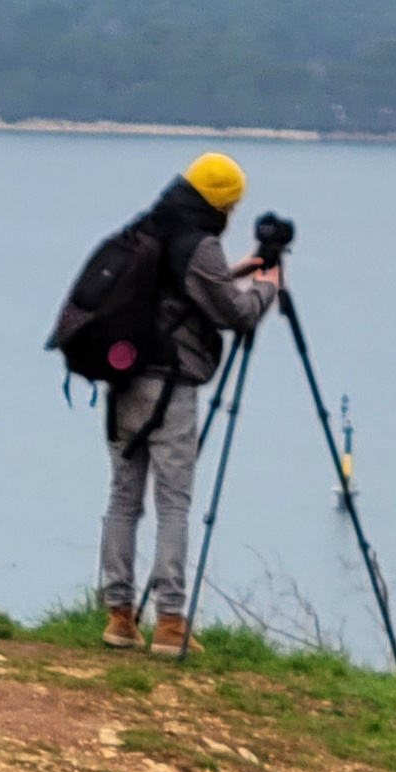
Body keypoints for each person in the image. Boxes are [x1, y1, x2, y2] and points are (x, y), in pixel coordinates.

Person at [99, 152, 279, 657]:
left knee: (123, 498)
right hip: (169, 386)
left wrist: (234, 269)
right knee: (173, 503)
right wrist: (266, 289)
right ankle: (171, 623)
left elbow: (182, 290)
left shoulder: (149, 227)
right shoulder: (199, 245)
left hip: (123, 381)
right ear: (223, 203)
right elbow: (235, 312)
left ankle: (119, 616)